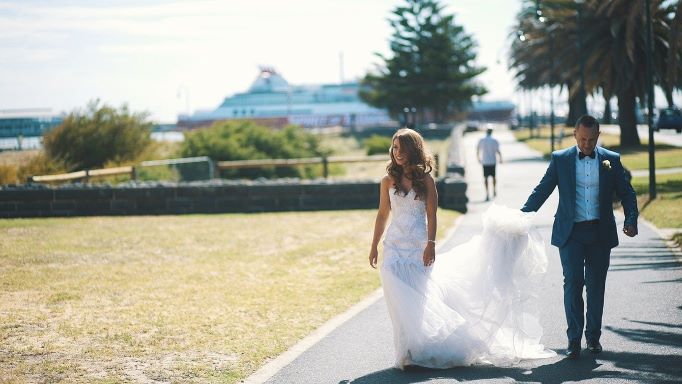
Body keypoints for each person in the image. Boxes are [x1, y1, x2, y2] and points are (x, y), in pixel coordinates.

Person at [369, 128, 554, 369]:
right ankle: (404, 351)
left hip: (418, 246)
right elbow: (383, 214)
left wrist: (431, 245)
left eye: (402, 148)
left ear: (413, 150)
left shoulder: (426, 180)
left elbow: (432, 216)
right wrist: (374, 245)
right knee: (397, 296)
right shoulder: (387, 181)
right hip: (393, 247)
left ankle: (414, 351)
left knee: (417, 298)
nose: (397, 153)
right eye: (394, 148)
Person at [521, 115, 638, 359]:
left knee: (596, 286)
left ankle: (593, 338)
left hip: (600, 232)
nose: (587, 144)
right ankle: (574, 339)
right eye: (583, 139)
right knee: (573, 283)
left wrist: (630, 219)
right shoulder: (560, 159)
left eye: (592, 140)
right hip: (570, 233)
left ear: (598, 136)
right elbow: (542, 190)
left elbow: (627, 192)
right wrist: (522, 216)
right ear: (575, 134)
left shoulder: (611, 160)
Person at [477, 128, 502, 201]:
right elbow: (497, 150)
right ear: (492, 132)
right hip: (492, 161)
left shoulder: (482, 140)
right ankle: (494, 190)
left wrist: (478, 158)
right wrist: (500, 158)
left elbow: (478, 149)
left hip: (485, 161)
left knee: (485, 178)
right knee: (494, 177)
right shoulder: (494, 140)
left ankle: (487, 193)